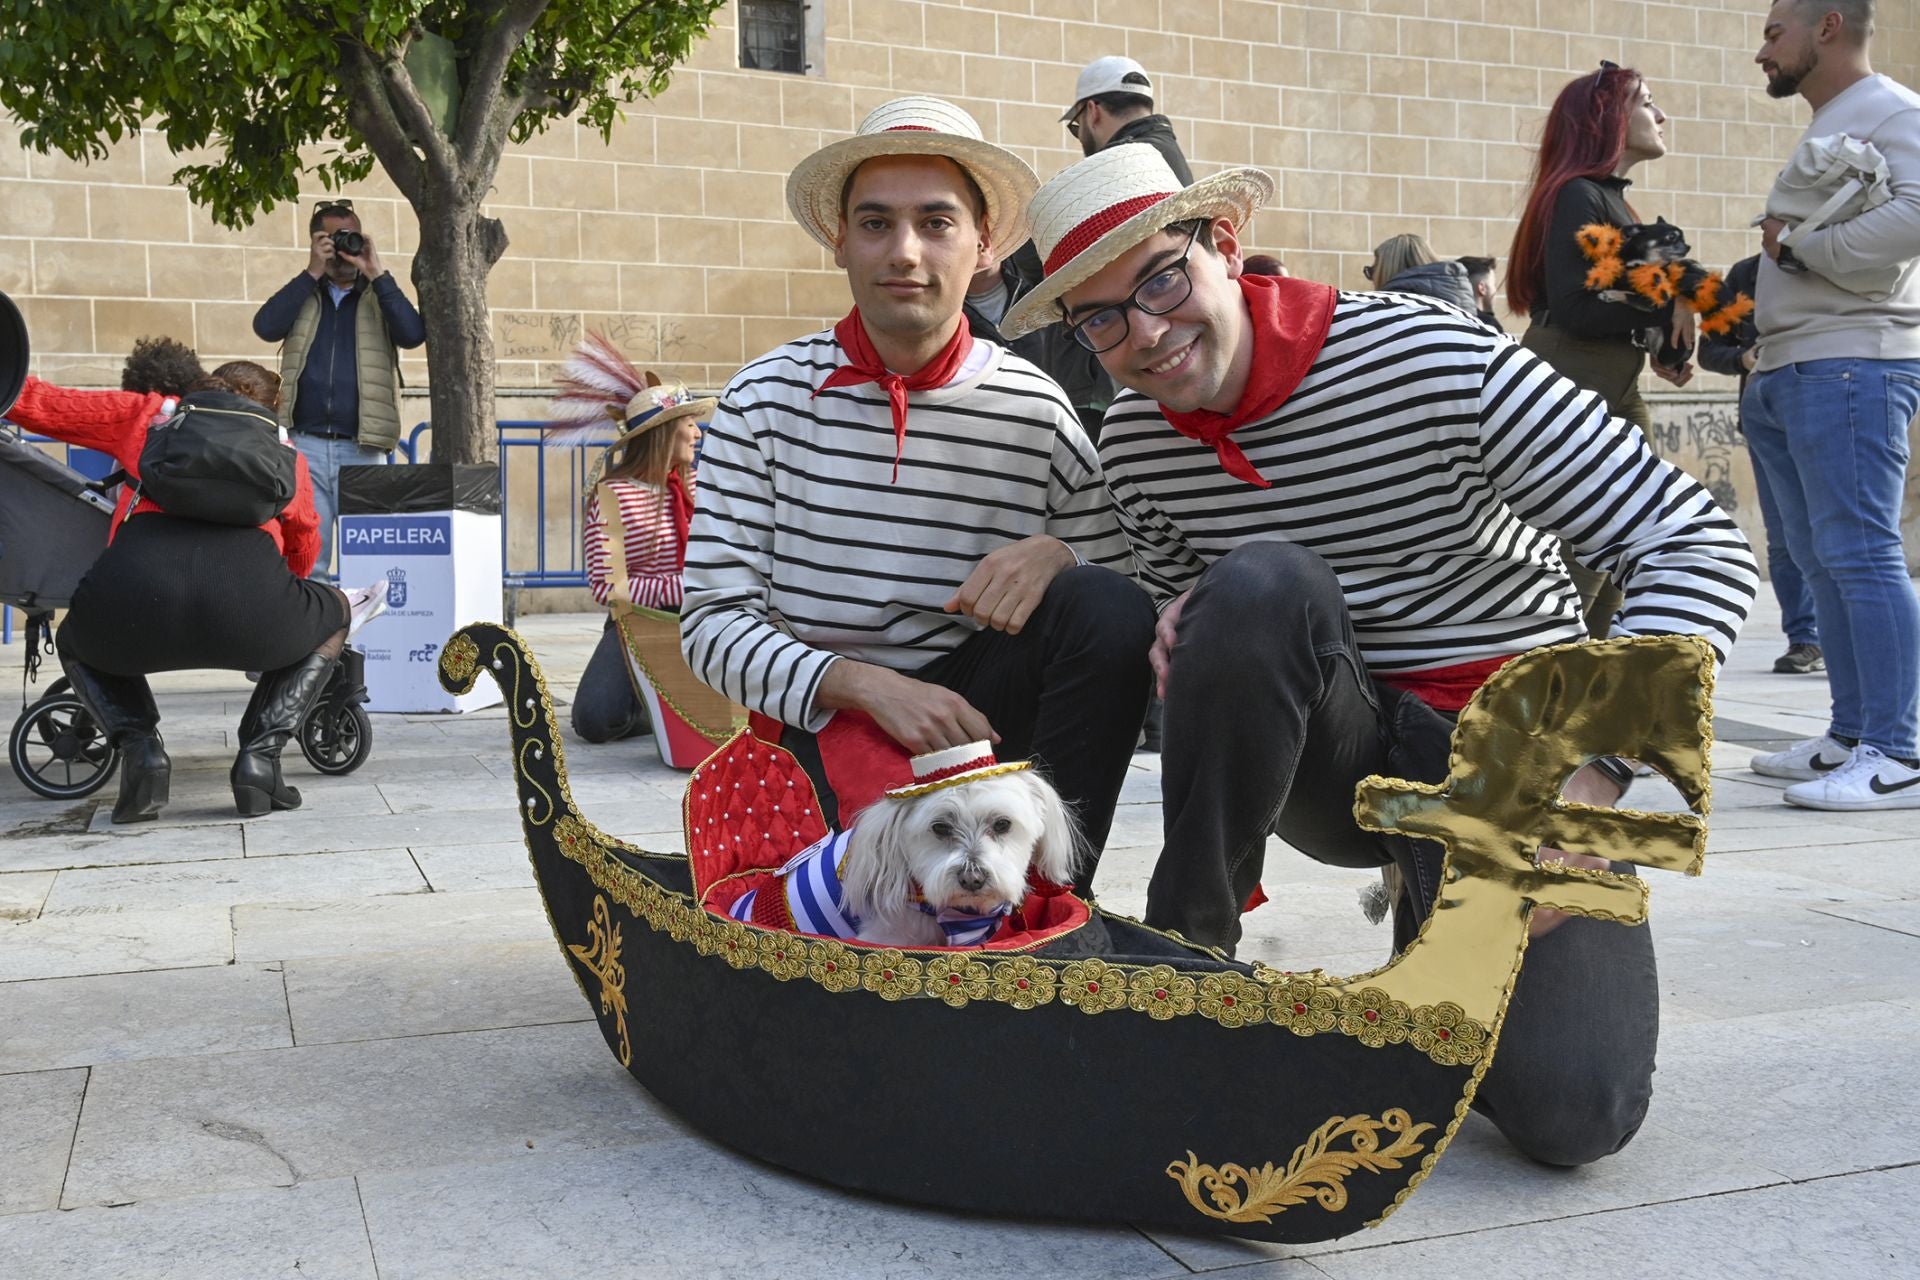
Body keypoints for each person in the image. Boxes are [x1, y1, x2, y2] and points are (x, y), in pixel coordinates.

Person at [1000, 145, 1757, 1166]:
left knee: (1576, 1113)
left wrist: (1587, 783)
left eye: (1161, 279)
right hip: (1338, 757)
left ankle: (1437, 891)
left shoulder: (1433, 359)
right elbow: (1177, 586)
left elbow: (1693, 539)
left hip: (1513, 753)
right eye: (1100, 317)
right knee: (1262, 582)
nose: (1145, 332)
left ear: (1225, 245)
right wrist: (1182, 611)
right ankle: (1189, 963)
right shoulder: (1136, 439)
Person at [681, 97, 1152, 884]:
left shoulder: (1034, 409)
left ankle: (1055, 895)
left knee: (1102, 607)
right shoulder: (762, 400)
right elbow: (712, 625)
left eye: (936, 223)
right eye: (875, 224)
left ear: (984, 245)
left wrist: (1060, 553)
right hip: (822, 715)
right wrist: (866, 687)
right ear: (840, 242)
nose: (904, 251)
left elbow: (1127, 591)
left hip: (984, 713)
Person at [6, 364, 381, 822]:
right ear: (267, 412)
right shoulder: (286, 452)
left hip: (135, 603)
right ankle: (259, 760)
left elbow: (42, 405)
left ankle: (141, 752)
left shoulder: (149, 416)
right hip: (251, 608)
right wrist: (289, 595)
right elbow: (305, 539)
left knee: (77, 639)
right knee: (336, 612)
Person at [1743, 0, 1920, 809]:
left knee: (1860, 556)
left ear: (1827, 28)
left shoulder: (1893, 109)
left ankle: (1898, 750)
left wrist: (1804, 247)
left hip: (1851, 364)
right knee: (1821, 564)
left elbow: (1916, 213)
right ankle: (1851, 734)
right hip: (1795, 367)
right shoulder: (1841, 117)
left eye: (1774, 33)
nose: (1761, 52)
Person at [1508, 62, 1697, 636]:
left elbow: (1617, 299)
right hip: (1574, 368)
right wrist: (1671, 305)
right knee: (1589, 538)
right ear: (1608, 118)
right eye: (1647, 102)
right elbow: (1575, 307)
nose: (1661, 116)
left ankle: (1582, 676)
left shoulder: (1611, 202)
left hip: (1610, 376)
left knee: (1629, 533)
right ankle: (1548, 672)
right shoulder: (1578, 194)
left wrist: (1665, 340)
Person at [252, 199, 425, 583]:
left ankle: (361, 641)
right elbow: (265, 326)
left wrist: (377, 272)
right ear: (316, 242)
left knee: (369, 558)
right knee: (309, 558)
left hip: (362, 446)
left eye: (350, 237)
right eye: (331, 239)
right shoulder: (305, 292)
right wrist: (312, 272)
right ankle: (313, 638)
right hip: (304, 445)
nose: (342, 246)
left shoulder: (377, 295)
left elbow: (413, 334)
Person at [558, 351, 714, 745]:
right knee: (594, 720)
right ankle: (652, 707)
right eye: (691, 424)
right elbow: (609, 588)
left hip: (707, 615)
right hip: (640, 621)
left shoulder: (702, 486)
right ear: (663, 432)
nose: (698, 433)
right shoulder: (613, 495)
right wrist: (684, 586)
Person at [1696, 254, 1823, 676]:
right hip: (1766, 422)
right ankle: (1805, 639)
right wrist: (1744, 359)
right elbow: (1711, 351)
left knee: (1843, 531)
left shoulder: (1834, 260)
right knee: (1784, 537)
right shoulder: (1744, 276)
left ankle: (1847, 636)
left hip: (1829, 414)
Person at [962, 241, 1113, 441]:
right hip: (1001, 435)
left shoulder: (1045, 284)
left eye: (987, 230)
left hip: (1085, 411)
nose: (981, 244)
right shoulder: (946, 320)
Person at [1059, 56, 1193, 184]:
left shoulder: (1115, 168)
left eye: (1078, 124)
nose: (1080, 136)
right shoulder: (1172, 155)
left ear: (1093, 112)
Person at [1365, 233, 1478, 313]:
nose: (1372, 282)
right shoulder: (1462, 296)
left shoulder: (1392, 308)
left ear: (1387, 273)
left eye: (1372, 272)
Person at [1457, 255, 1505, 331]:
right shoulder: (1490, 327)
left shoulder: (1449, 319)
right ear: (1482, 288)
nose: (1495, 291)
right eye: (1493, 285)